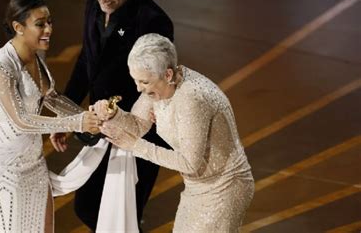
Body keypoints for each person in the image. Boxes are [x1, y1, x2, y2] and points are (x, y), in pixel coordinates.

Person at [52, 0, 174, 231]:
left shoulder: (152, 21)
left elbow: (155, 87)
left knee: (122, 214)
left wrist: (126, 125)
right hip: (102, 124)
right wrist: (68, 117)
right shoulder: (94, 5)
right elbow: (88, 60)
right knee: (89, 208)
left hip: (138, 131)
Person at [94, 34, 255, 232]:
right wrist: (114, 113)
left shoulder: (191, 98)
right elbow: (137, 125)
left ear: (168, 74)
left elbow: (189, 162)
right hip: (196, 186)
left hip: (225, 186)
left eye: (144, 82)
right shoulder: (159, 87)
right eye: (135, 80)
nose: (138, 88)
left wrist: (135, 146)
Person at [0, 0, 100, 233]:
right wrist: (79, 122)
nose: (49, 29)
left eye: (50, 22)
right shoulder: (1, 66)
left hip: (33, 162)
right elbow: (21, 121)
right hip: (3, 166)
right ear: (18, 27)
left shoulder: (35, 57)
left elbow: (52, 98)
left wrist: (90, 118)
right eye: (40, 24)